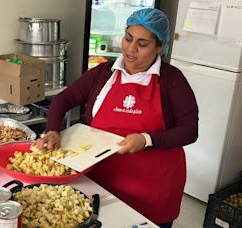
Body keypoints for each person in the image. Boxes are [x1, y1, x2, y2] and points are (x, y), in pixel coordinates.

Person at [35, 8, 198, 228]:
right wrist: (52, 129)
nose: (131, 49)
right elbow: (63, 99)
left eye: (142, 44)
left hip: (153, 186)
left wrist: (147, 139)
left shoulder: (172, 81)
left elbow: (189, 130)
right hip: (102, 181)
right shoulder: (104, 73)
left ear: (159, 47)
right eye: (128, 38)